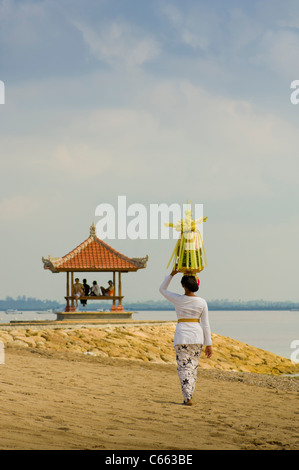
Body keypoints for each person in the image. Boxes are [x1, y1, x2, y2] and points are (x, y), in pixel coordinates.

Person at [159, 269, 213, 406]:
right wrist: (209, 344)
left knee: (184, 368)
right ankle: (189, 396)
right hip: (197, 337)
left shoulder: (178, 299)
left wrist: (172, 273)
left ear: (183, 285)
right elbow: (206, 325)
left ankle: (188, 397)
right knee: (193, 367)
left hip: (182, 336)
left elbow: (162, 289)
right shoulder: (202, 302)